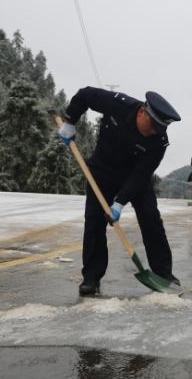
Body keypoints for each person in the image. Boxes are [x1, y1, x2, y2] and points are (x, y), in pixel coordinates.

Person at [57, 86, 181, 296]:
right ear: (142, 112)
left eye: (157, 130)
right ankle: (91, 277)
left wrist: (119, 202)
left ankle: (163, 273)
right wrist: (70, 121)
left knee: (151, 218)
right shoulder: (118, 104)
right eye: (152, 126)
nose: (153, 132)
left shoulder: (159, 141)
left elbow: (141, 175)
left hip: (134, 178)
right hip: (101, 172)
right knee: (94, 221)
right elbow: (85, 95)